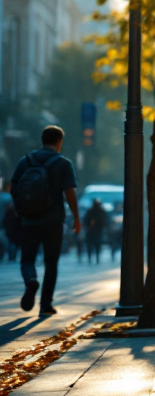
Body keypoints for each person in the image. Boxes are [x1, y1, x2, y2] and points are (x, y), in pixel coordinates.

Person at [10, 126, 80, 315]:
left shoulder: (25, 161)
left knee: (27, 259)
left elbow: (13, 186)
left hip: (29, 220)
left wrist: (20, 208)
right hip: (53, 220)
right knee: (51, 263)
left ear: (42, 140)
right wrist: (76, 217)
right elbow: (70, 192)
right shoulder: (63, 164)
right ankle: (46, 304)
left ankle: (31, 280)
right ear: (59, 142)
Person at [83, 199, 109, 264]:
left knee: (95, 245)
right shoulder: (94, 211)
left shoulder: (99, 211)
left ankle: (95, 257)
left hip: (96, 231)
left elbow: (105, 220)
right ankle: (92, 257)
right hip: (92, 231)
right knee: (92, 245)